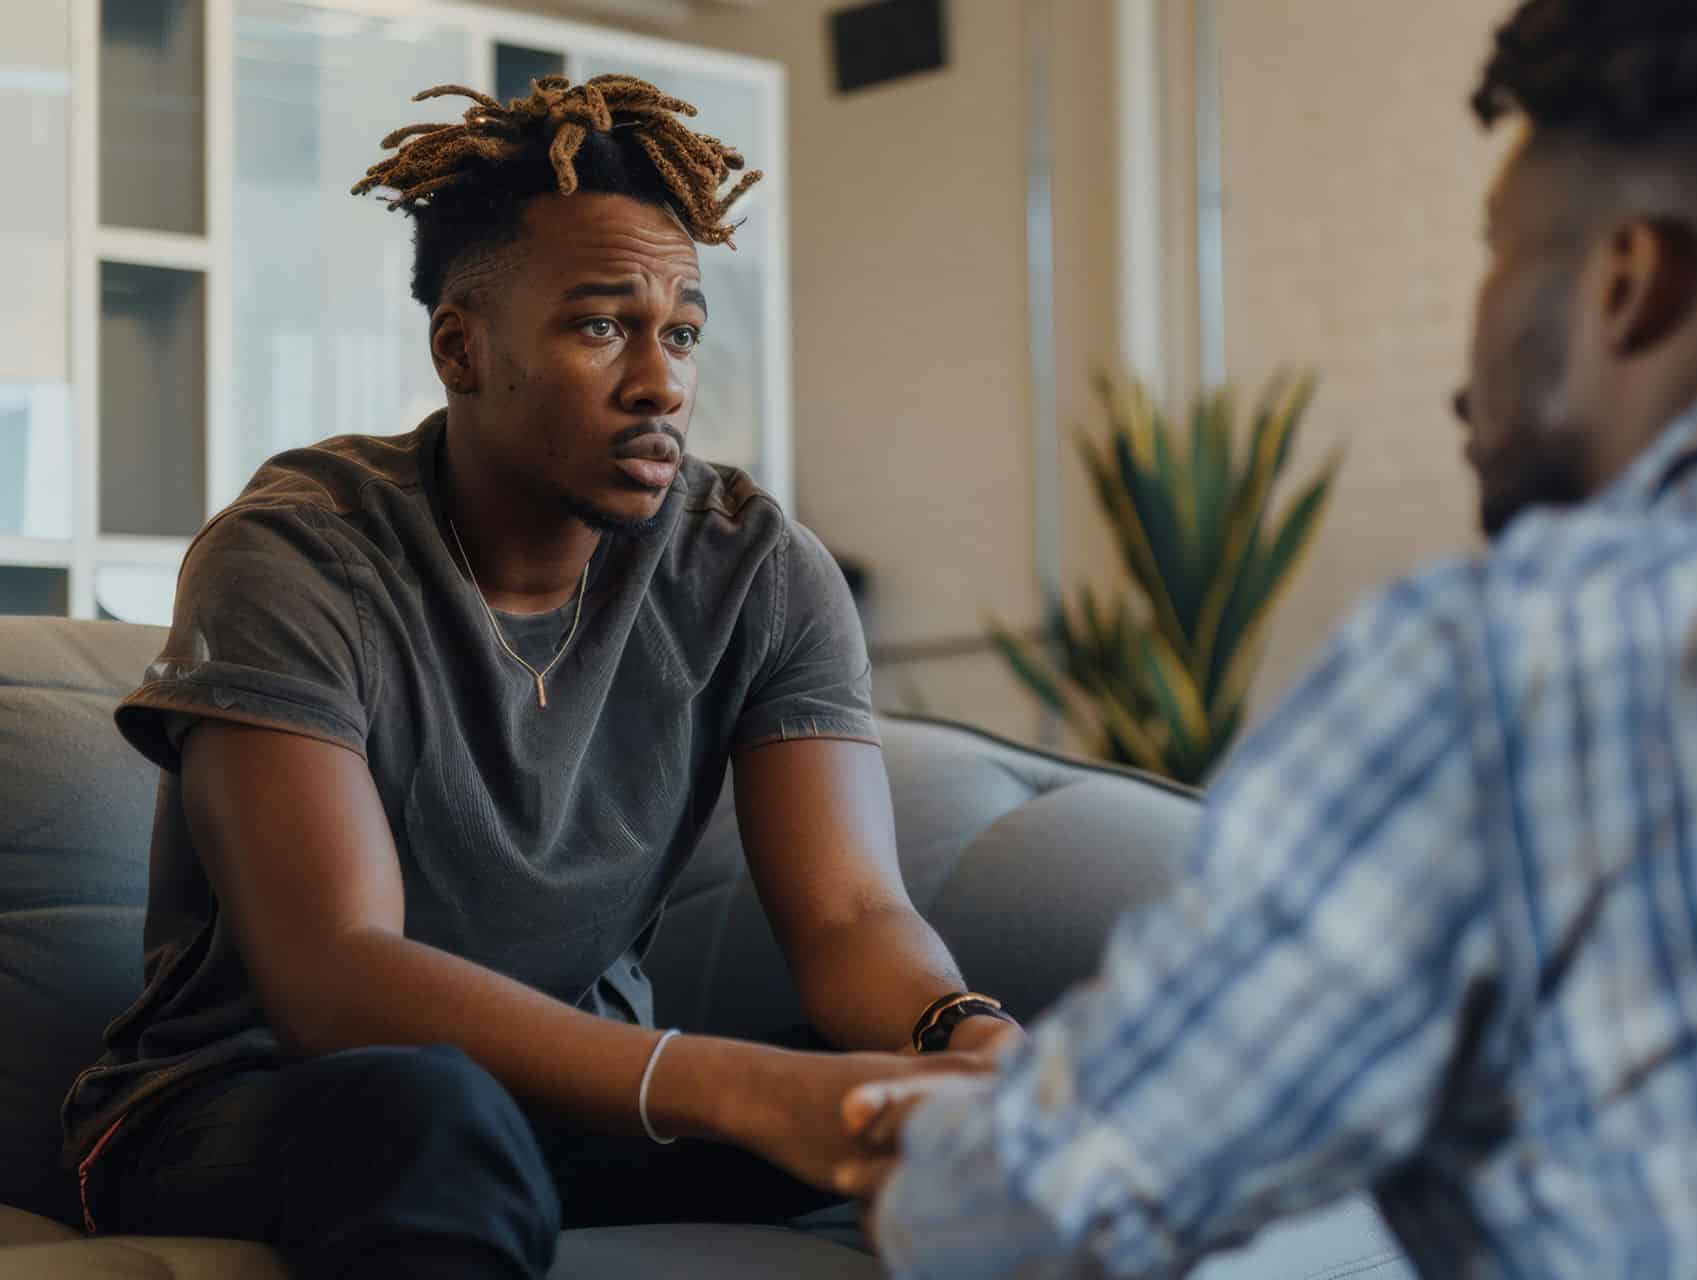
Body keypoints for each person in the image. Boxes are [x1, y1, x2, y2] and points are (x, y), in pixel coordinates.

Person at [843, 2, 1697, 1274]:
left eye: (1498, 250)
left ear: (1630, 283)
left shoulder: (1519, 657)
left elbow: (1034, 1218)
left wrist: (922, 1156)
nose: (1467, 364)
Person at [60, 74, 1012, 1278]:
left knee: (933, 1120)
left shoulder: (755, 568)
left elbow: (850, 915)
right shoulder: (296, 552)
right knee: (435, 1115)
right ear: (461, 346)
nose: (661, 382)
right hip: (244, 1104)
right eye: (602, 325)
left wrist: (956, 1036)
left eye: (681, 333)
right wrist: (742, 1087)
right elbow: (334, 972)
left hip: (583, 1099)